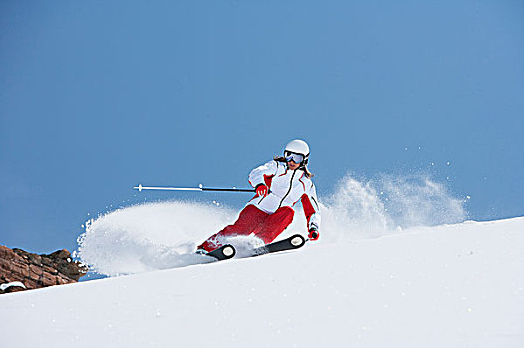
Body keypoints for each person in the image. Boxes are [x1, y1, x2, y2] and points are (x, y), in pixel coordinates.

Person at [196, 139, 321, 253]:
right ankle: (206, 247)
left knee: (288, 212)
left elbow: (313, 210)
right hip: (259, 207)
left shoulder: (306, 184)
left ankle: (258, 242)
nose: (292, 161)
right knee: (241, 229)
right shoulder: (277, 167)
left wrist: (313, 228)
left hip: (278, 215)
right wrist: (260, 184)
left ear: (304, 160)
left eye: (297, 158)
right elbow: (257, 172)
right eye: (289, 156)